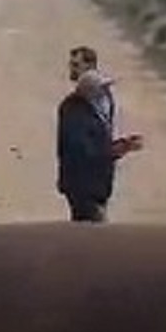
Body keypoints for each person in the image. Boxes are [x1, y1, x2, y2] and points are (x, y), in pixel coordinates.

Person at [57, 70, 123, 223]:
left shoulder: (95, 108)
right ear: (91, 91)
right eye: (103, 88)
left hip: (97, 184)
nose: (107, 92)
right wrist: (112, 152)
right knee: (95, 227)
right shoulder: (74, 112)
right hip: (82, 185)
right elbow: (81, 149)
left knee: (86, 228)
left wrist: (118, 147)